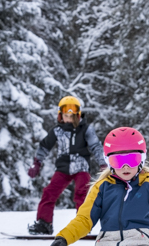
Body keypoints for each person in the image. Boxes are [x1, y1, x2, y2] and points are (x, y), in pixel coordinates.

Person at [27, 96, 107, 235]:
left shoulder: (85, 129)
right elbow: (45, 146)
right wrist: (37, 162)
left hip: (81, 167)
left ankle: (83, 224)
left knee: (82, 194)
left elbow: (96, 146)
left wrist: (103, 163)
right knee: (49, 192)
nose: (69, 119)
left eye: (72, 116)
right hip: (63, 168)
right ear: (60, 116)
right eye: (66, 116)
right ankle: (44, 223)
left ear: (78, 116)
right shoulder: (57, 131)